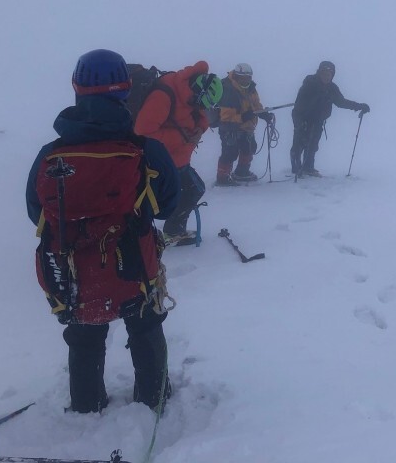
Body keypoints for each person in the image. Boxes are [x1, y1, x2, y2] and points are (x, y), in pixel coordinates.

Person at [26, 49, 180, 413]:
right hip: (133, 264)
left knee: (84, 334)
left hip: (75, 270)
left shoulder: (51, 155)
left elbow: (37, 213)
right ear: (125, 91)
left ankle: (86, 403)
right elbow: (169, 204)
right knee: (144, 324)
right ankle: (153, 397)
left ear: (77, 88)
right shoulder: (145, 151)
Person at [134, 60, 223, 244]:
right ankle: (164, 232)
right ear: (199, 91)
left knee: (193, 189)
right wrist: (183, 137)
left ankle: (172, 230)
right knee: (190, 190)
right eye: (202, 102)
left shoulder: (191, 92)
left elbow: (200, 115)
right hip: (161, 160)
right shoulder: (163, 96)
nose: (202, 106)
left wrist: (199, 128)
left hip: (177, 158)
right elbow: (143, 133)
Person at [290, 60, 370, 176]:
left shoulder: (332, 88)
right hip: (303, 118)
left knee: (313, 144)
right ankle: (296, 167)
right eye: (324, 73)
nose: (326, 76)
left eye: (329, 74)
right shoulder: (309, 84)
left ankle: (308, 167)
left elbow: (341, 102)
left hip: (318, 120)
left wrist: (359, 106)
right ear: (319, 73)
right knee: (300, 142)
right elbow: (299, 105)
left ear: (332, 75)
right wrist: (299, 122)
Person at [210, 63, 274, 186]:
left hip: (246, 126)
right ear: (237, 76)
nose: (246, 80)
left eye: (248, 77)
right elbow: (225, 116)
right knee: (230, 152)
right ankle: (222, 178)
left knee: (249, 148)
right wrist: (243, 117)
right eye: (243, 77)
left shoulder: (251, 88)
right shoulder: (227, 89)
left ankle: (242, 172)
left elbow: (256, 105)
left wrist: (263, 114)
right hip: (229, 128)